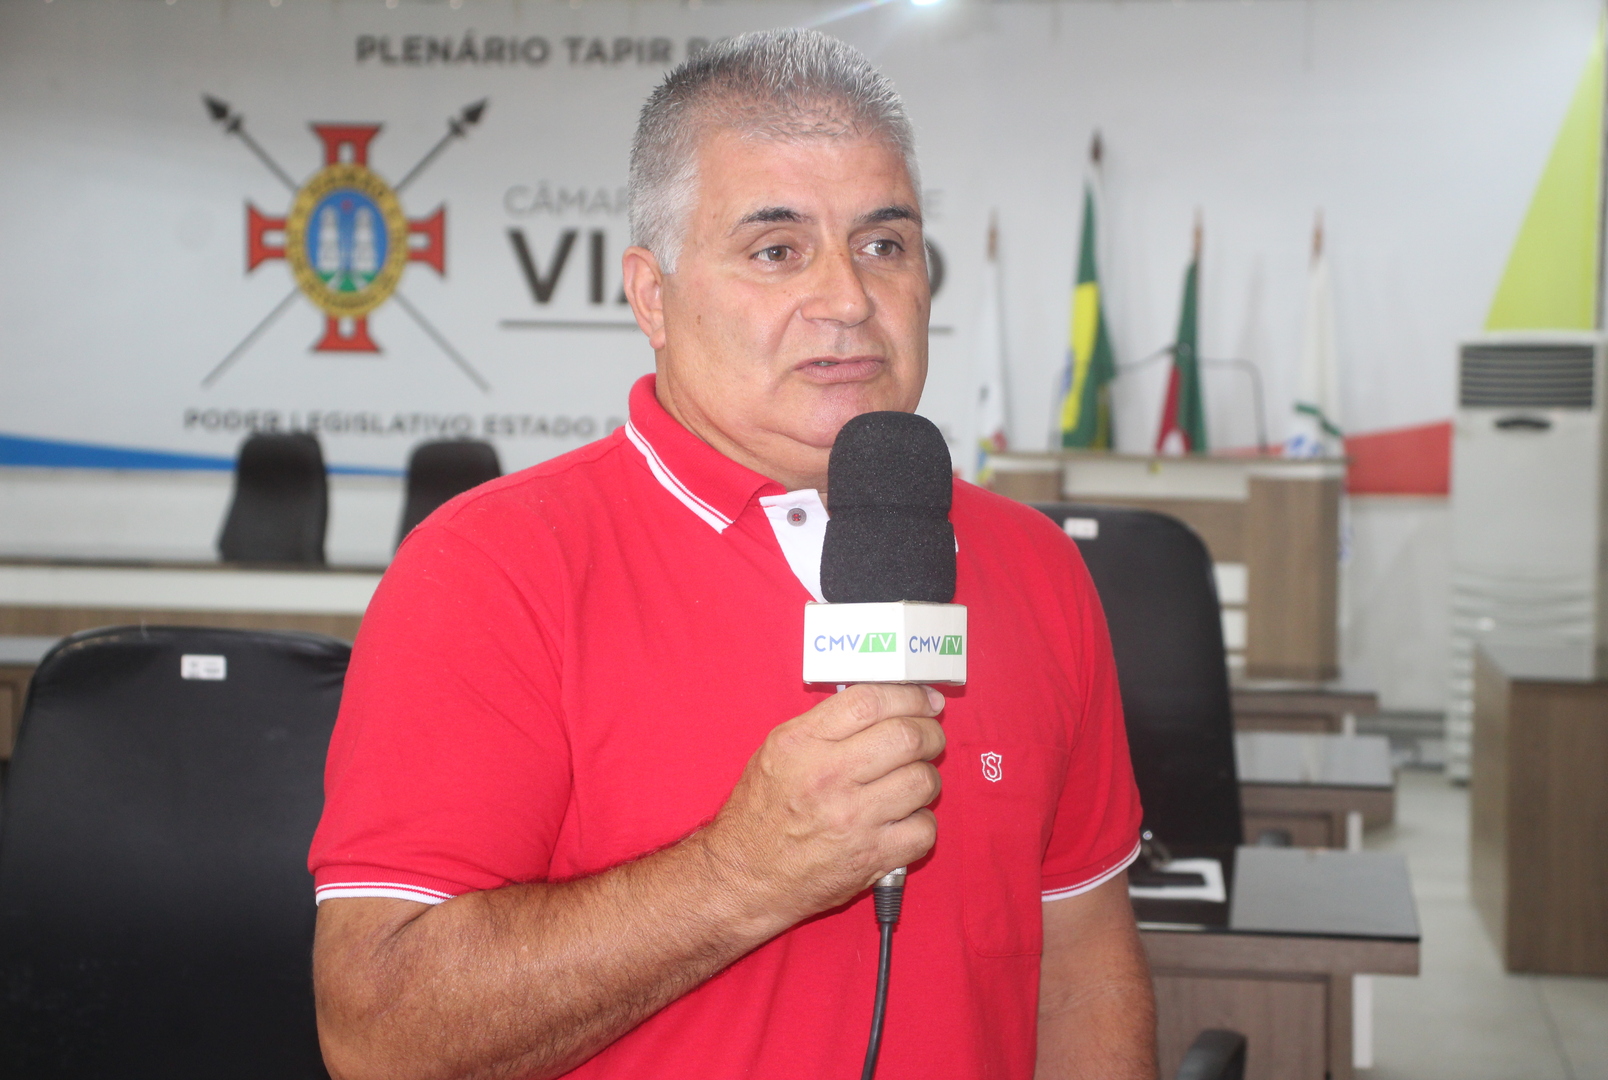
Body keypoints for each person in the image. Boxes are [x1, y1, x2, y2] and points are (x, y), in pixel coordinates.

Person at [310, 28, 1155, 1080]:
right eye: (776, 249)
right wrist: (741, 876)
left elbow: (1081, 975)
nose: (849, 299)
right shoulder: (488, 570)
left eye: (885, 245)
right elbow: (379, 1037)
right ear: (652, 297)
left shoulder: (1038, 567)